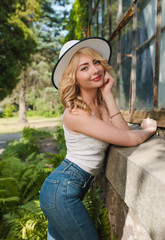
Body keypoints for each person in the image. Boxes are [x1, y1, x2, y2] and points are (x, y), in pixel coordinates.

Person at [39, 37, 157, 240]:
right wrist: (148, 130)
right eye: (84, 68)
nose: (95, 70)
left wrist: (108, 94)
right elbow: (130, 139)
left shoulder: (101, 106)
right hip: (61, 191)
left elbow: (122, 132)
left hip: (67, 190)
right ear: (73, 77)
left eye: (96, 62)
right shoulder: (75, 113)